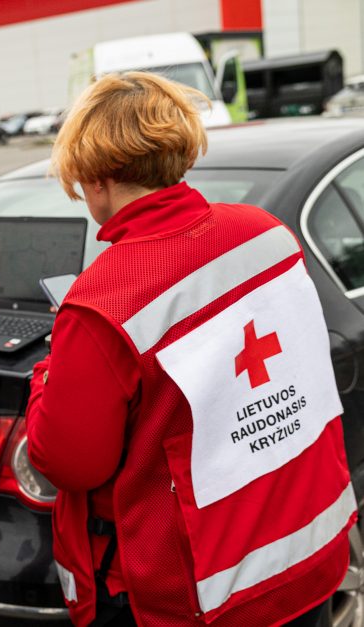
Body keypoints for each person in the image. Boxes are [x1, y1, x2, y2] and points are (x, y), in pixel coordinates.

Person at [26, 72, 353, 627]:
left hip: (199, 596)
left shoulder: (103, 302)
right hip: (308, 555)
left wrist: (49, 376)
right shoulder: (267, 235)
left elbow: (70, 463)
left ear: (98, 177)